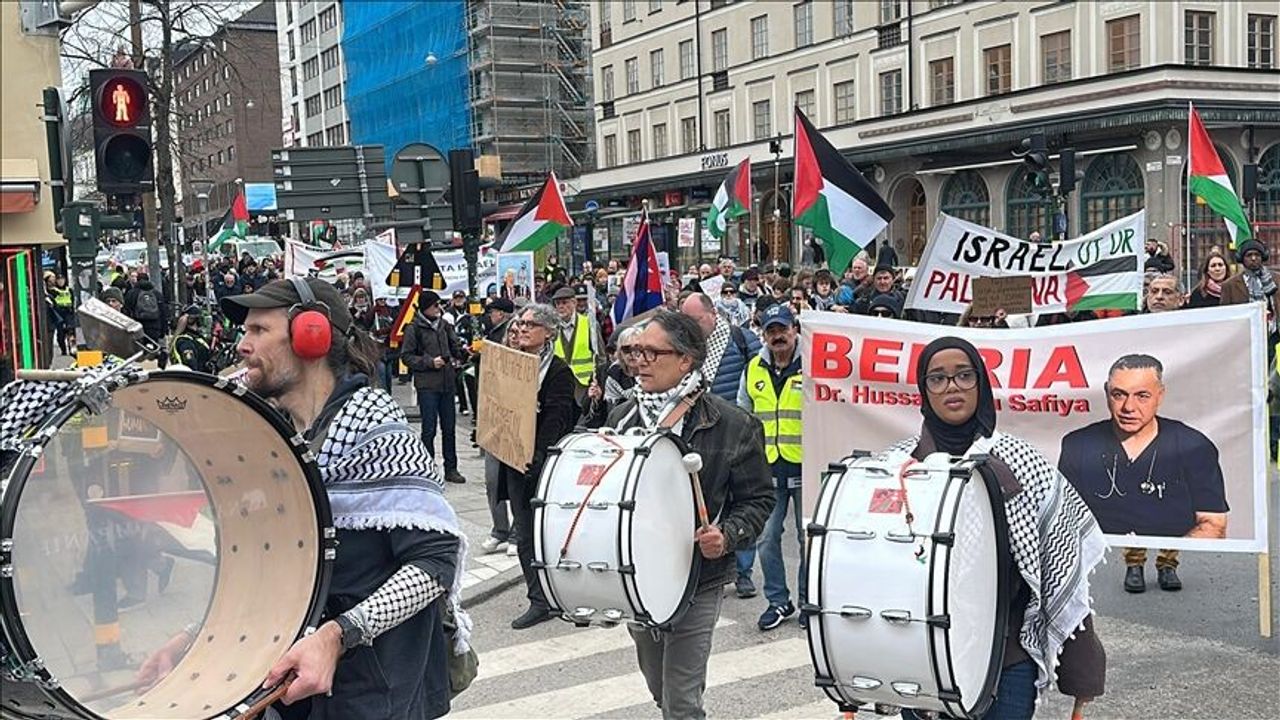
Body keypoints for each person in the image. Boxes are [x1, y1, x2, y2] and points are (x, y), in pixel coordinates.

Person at [195, 277, 468, 719]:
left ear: (311, 335)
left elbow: (436, 565)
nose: (242, 346)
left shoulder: (376, 430)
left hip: (377, 694)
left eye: (259, 331)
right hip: (296, 690)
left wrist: (336, 636)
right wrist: (204, 637)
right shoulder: (280, 436)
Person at [890, 337, 1105, 720]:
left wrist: (1083, 666)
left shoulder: (1022, 461)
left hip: (1006, 659)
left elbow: (1062, 564)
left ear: (982, 384)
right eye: (937, 378)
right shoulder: (900, 468)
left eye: (963, 376)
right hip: (922, 658)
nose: (952, 386)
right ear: (924, 390)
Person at [609, 310, 773, 720]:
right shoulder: (621, 420)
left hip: (699, 578)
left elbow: (758, 500)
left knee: (681, 700)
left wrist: (728, 534)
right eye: (634, 352)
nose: (638, 361)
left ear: (685, 360)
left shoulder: (734, 425)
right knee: (658, 685)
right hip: (637, 577)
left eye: (651, 352)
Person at [1058, 354, 1228, 593]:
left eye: (1142, 396)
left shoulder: (1193, 445)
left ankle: (1167, 564)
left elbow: (1214, 524)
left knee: (1171, 513)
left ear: (1160, 395)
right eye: (1119, 395)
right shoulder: (1078, 445)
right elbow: (1065, 516)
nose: (1129, 408)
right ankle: (1134, 564)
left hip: (1172, 527)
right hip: (1122, 529)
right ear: (1107, 392)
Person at [498, 303, 577, 629]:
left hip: (542, 464)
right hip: (514, 459)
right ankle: (538, 599)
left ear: (547, 333)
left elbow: (558, 417)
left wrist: (540, 455)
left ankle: (558, 592)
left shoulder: (557, 371)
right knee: (525, 532)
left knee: (549, 530)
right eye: (520, 323)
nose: (522, 329)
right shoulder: (508, 363)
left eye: (530, 325)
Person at [737, 304, 806, 632]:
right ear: (763, 334)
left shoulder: (816, 364)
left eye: (783, 329)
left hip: (807, 465)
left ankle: (809, 601)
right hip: (767, 470)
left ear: (795, 329)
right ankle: (778, 600)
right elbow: (743, 415)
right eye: (771, 331)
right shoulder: (753, 368)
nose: (777, 336)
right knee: (766, 538)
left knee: (810, 540)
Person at [400, 290, 468, 485]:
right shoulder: (414, 328)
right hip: (427, 386)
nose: (439, 309)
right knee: (429, 429)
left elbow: (454, 348)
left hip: (447, 383)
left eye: (439, 305)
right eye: (435, 305)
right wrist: (430, 362)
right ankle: (427, 467)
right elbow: (407, 356)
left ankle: (451, 468)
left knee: (449, 428)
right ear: (425, 307)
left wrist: (464, 353)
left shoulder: (445, 326)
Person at [476, 298, 516, 556]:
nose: (514, 336)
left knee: (515, 481)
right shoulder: (491, 342)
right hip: (493, 421)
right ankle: (499, 529)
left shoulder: (525, 358)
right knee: (492, 481)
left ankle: (516, 533)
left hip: (516, 424)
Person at [551, 285, 603, 416]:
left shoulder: (589, 324)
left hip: (584, 385)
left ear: (574, 303)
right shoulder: (551, 328)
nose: (560, 307)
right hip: (561, 385)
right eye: (557, 304)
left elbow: (600, 356)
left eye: (564, 302)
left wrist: (599, 382)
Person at [1220, 238, 1277, 345]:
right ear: (1241, 258)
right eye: (1249, 255)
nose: (1253, 258)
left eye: (1257, 255)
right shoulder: (1229, 285)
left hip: (1273, 336)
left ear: (1263, 257)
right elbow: (1225, 315)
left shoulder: (1277, 280)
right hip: (1243, 339)